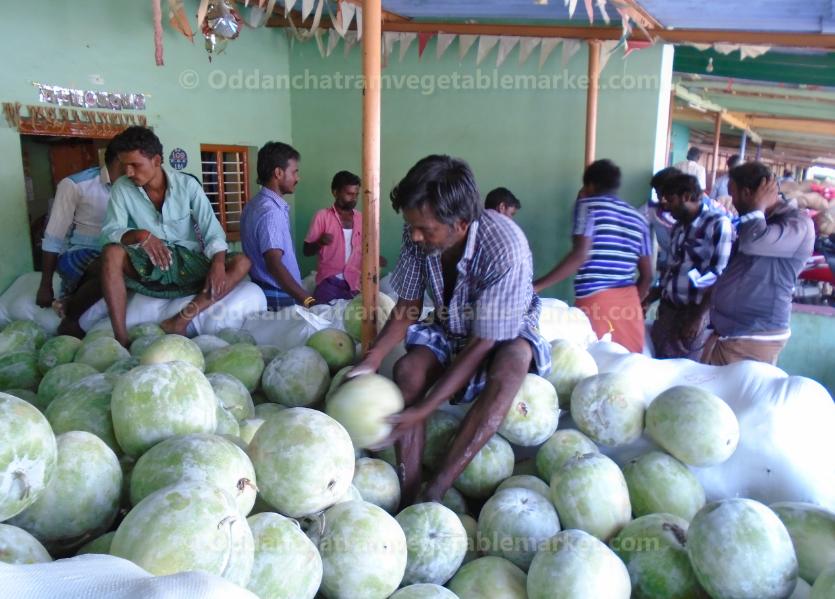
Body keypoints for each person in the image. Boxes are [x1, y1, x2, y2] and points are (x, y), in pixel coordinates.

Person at [347, 155, 551, 506]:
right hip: (450, 322)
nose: (415, 235)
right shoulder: (420, 230)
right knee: (407, 370)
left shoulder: (506, 247)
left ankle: (438, 487)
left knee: (513, 363)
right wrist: (372, 358)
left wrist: (425, 408)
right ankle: (409, 495)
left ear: (460, 224)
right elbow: (408, 305)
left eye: (425, 229)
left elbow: (481, 345)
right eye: (412, 226)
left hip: (503, 331)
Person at [99, 126, 250, 347]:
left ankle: (179, 322)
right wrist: (140, 235)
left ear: (157, 160)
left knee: (241, 262)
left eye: (135, 165)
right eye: (125, 166)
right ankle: (121, 339)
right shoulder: (122, 188)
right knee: (111, 252)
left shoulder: (187, 185)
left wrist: (218, 263)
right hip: (150, 265)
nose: (129, 172)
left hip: (187, 263)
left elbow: (212, 230)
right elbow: (108, 233)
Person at [702, 162, 815, 366]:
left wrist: (757, 207)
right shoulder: (756, 219)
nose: (732, 202)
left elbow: (753, 242)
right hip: (734, 333)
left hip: (755, 335)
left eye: (733, 194)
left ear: (747, 193)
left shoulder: (797, 223)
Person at [534, 159, 653, 353]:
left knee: (593, 363)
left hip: (596, 300)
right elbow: (648, 275)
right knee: (628, 366)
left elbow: (580, 254)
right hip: (630, 303)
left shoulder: (587, 206)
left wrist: (537, 285)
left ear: (590, 185)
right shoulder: (639, 218)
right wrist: (631, 307)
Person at [36, 141, 123, 338]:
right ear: (121, 159)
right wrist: (45, 284)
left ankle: (70, 300)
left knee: (119, 261)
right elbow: (53, 236)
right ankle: (71, 321)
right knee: (109, 264)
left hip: (118, 252)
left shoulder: (135, 187)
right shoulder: (75, 185)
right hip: (78, 253)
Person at [649, 174, 733, 360]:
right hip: (668, 310)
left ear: (686, 197)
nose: (666, 206)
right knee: (658, 364)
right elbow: (672, 269)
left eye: (670, 199)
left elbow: (719, 276)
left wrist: (698, 317)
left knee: (683, 374)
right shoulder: (679, 227)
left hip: (691, 315)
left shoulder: (718, 224)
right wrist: (652, 296)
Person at [240, 142, 313, 310]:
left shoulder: (254, 204)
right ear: (278, 173)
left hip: (264, 291)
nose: (297, 178)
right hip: (279, 296)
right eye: (295, 172)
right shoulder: (271, 212)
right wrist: (307, 299)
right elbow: (274, 264)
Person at [302, 171, 363, 304]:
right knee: (322, 320)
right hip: (329, 284)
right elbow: (306, 250)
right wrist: (319, 242)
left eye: (356, 194)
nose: (354, 199)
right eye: (349, 194)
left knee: (353, 322)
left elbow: (365, 250)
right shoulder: (322, 216)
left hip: (354, 285)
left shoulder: (361, 219)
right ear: (335, 192)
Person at [645, 167, 681, 277]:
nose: (662, 199)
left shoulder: (698, 218)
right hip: (668, 272)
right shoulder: (653, 211)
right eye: (658, 194)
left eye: (667, 195)